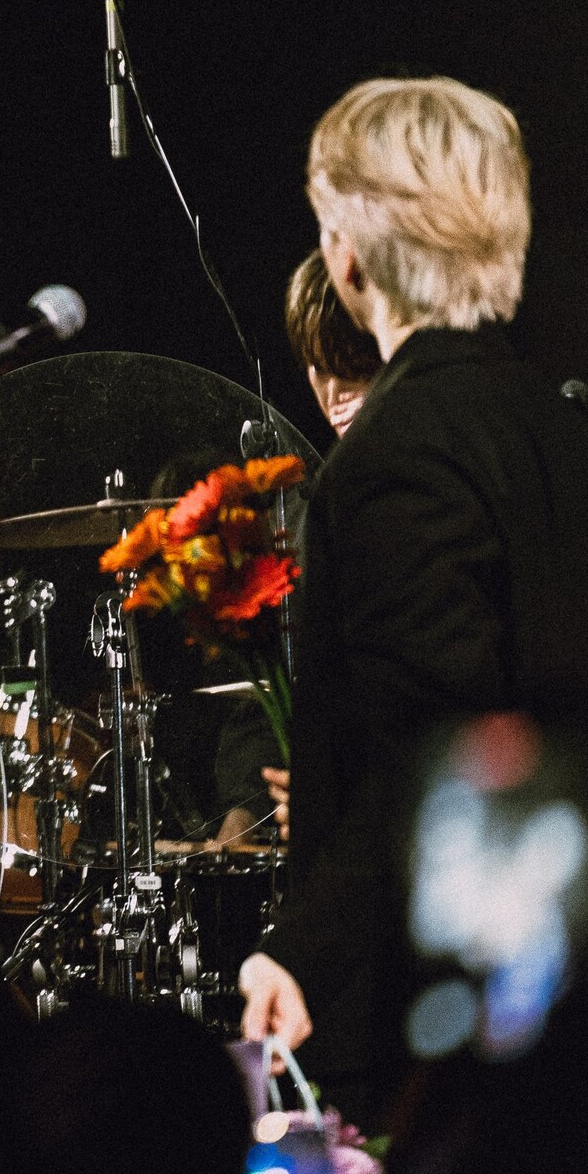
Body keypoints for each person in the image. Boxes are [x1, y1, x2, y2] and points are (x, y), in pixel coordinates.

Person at [236, 77, 588, 1129]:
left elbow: (433, 757)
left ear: (348, 256)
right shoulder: (572, 436)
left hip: (450, 1027)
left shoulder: (395, 455)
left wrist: (298, 951)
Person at [214, 247, 381, 848]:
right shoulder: (314, 512)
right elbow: (278, 682)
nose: (335, 393)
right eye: (318, 368)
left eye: (355, 369)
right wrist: (243, 807)